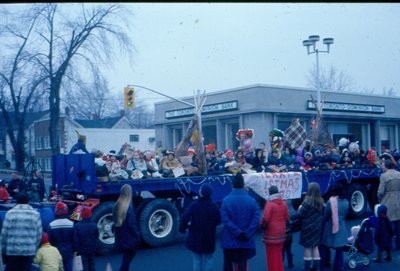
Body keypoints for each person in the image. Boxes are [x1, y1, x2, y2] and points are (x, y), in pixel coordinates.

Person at [220, 172, 260, 271]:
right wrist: (246, 233)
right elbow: (255, 219)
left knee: (228, 264)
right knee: (242, 264)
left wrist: (237, 232)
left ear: (232, 185)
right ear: (243, 185)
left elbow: (225, 220)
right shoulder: (251, 200)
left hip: (229, 238)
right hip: (245, 238)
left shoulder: (226, 200)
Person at [179, 183, 221, 271]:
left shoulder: (194, 205)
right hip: (209, 236)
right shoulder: (214, 206)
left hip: (196, 236)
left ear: (201, 193)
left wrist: (183, 228)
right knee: (209, 259)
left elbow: (185, 217)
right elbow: (219, 221)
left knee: (197, 260)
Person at [1, 192, 42, 271]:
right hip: (29, 250)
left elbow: (4, 235)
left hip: (12, 250)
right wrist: (34, 248)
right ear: (28, 201)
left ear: (16, 201)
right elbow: (39, 235)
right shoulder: (35, 214)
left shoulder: (10, 213)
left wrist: (4, 251)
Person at [295, 182, 325, 271]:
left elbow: (300, 214)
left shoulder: (307, 201)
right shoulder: (321, 201)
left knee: (307, 247)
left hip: (307, 227)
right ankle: (317, 268)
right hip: (317, 227)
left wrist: (300, 207)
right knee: (315, 246)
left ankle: (307, 268)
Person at [320, 182, 349, 271]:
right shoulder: (346, 202)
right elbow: (345, 214)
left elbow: (326, 215)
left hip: (330, 227)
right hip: (341, 227)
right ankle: (337, 268)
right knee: (339, 251)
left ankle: (321, 266)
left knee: (324, 248)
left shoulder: (330, 201)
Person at [260, 185, 289, 271]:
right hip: (281, 233)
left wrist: (262, 226)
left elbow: (265, 219)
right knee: (279, 254)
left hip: (271, 234)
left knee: (271, 256)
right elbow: (287, 217)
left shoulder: (270, 204)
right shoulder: (284, 203)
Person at [113, 184, 141, 271]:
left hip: (121, 236)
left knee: (126, 260)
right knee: (127, 260)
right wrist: (138, 235)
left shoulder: (117, 204)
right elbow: (132, 224)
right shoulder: (129, 207)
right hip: (130, 237)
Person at [377, 159, 400, 250]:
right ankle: (398, 245)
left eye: (383, 166)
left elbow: (380, 192)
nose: (382, 167)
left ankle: (388, 245)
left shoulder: (384, 176)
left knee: (387, 225)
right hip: (398, 200)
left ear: (386, 166)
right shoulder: (399, 174)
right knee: (398, 224)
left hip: (387, 201)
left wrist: (380, 200)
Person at [48, 201, 75, 271]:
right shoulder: (71, 224)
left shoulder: (51, 225)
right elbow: (75, 240)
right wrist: (74, 250)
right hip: (69, 251)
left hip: (56, 251)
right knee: (69, 267)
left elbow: (50, 241)